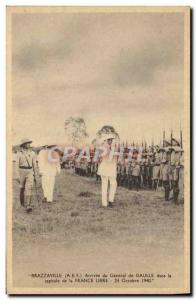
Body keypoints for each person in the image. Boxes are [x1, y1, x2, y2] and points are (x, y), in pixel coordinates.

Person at [15, 138, 38, 212]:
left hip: (30, 171)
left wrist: (35, 174)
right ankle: (22, 203)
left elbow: (34, 164)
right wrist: (17, 175)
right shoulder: (19, 153)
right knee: (22, 188)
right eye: (27, 143)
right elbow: (16, 165)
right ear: (24, 145)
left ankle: (28, 205)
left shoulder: (32, 153)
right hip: (21, 171)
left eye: (29, 143)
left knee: (28, 188)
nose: (29, 144)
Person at [97, 134, 118, 208]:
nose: (110, 141)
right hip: (105, 168)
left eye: (111, 140)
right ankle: (104, 203)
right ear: (106, 140)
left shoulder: (114, 148)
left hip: (112, 169)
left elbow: (115, 159)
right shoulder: (103, 148)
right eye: (109, 140)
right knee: (104, 185)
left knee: (113, 183)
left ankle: (111, 201)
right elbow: (100, 158)